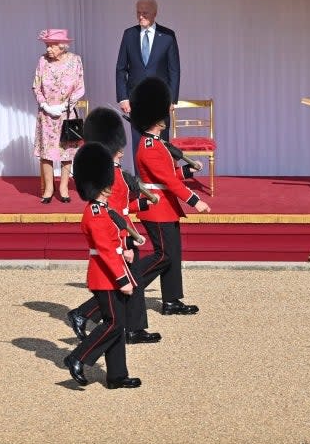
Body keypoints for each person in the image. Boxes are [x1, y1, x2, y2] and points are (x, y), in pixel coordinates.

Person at [66, 107, 159, 345]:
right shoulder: (111, 175)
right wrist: (127, 238)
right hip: (120, 232)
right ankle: (123, 326)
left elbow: (124, 207)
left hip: (124, 227)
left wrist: (145, 204)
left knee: (128, 283)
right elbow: (115, 212)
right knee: (129, 282)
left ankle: (114, 322)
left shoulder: (114, 171)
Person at [63, 142, 141, 390]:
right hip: (105, 276)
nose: (109, 188)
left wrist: (126, 251)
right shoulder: (95, 212)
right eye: (105, 184)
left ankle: (117, 375)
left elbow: (113, 242)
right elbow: (105, 250)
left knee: (117, 324)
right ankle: (77, 357)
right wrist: (122, 279)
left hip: (114, 269)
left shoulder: (104, 209)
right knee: (114, 323)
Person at [131, 77, 210, 316]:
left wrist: (188, 169)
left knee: (173, 255)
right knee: (163, 255)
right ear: (157, 118)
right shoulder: (150, 146)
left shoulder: (156, 143)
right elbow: (167, 181)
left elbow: (169, 173)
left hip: (165, 206)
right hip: (156, 206)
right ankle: (130, 282)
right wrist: (196, 200)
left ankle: (172, 300)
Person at [115, 0, 180, 153]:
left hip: (160, 100)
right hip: (136, 100)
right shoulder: (129, 34)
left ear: (155, 13)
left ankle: (160, 177)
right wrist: (123, 97)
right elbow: (121, 68)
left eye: (145, 13)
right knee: (139, 144)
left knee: (161, 144)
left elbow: (174, 70)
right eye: (138, 12)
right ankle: (139, 178)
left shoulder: (167, 36)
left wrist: (171, 100)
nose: (141, 16)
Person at [32, 29, 85, 203]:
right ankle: (48, 188)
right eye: (47, 45)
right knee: (46, 152)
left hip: (66, 113)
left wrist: (65, 105)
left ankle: (63, 187)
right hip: (46, 114)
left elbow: (80, 88)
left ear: (62, 47)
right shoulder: (42, 61)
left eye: (52, 46)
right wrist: (45, 105)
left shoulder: (75, 60)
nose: (48, 49)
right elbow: (36, 87)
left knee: (66, 151)